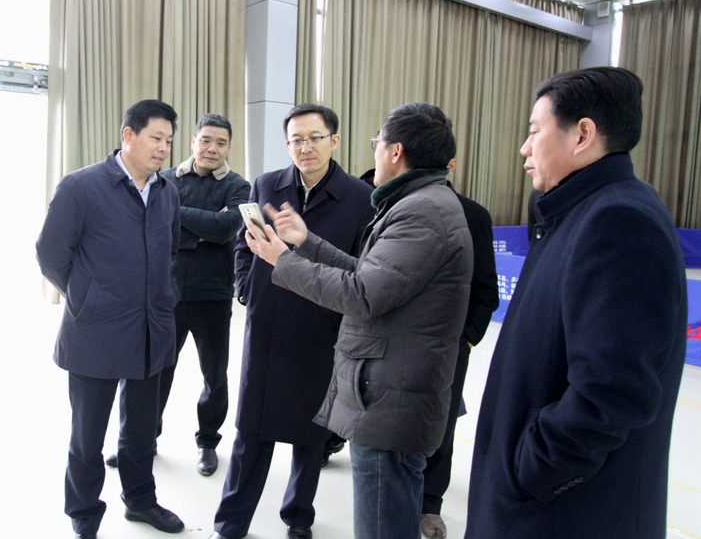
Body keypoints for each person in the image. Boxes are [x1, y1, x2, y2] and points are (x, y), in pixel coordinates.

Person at [466, 67, 688, 539]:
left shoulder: (618, 221)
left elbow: (613, 390)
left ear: (582, 134)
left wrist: (535, 469)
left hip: (564, 515)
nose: (525, 149)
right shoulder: (571, 214)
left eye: (534, 131)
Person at [244, 101, 473, 539]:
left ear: (395, 151)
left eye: (377, 143)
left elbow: (362, 294)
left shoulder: (421, 212)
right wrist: (307, 242)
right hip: (389, 389)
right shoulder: (422, 202)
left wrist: (282, 261)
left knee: (382, 525)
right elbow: (374, 275)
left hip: (390, 398)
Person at [207, 104, 375, 539]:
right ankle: (231, 522)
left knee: (311, 434)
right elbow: (244, 243)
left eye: (315, 138)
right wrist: (247, 288)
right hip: (269, 323)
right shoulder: (267, 184)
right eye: (297, 140)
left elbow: (363, 267)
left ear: (334, 141)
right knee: (251, 430)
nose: (305, 147)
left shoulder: (360, 197)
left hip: (323, 328)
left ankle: (298, 517)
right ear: (287, 145)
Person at [36, 99, 186, 539]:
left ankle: (140, 501)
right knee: (88, 437)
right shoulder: (82, 186)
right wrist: (86, 297)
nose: (163, 148)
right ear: (128, 135)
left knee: (141, 433)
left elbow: (172, 250)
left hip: (152, 329)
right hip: (95, 331)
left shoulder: (167, 191)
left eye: (169, 140)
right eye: (156, 138)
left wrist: (165, 296)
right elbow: (50, 253)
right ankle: (84, 515)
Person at [156, 113, 251, 475]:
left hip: (212, 294)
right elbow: (155, 227)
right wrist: (202, 229)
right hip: (166, 292)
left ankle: (208, 442)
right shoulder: (166, 179)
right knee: (157, 370)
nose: (212, 148)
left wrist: (178, 217)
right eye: (206, 140)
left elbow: (226, 228)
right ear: (193, 141)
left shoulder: (239, 186)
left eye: (221, 143)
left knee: (214, 375)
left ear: (229, 147)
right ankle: (144, 438)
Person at [419, 157, 499, 539]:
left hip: (449, 345)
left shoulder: (473, 216)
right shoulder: (387, 207)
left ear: (449, 162)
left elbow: (486, 289)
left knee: (441, 424)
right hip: (393, 341)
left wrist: (465, 339)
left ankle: (429, 503)